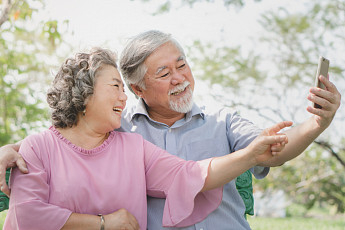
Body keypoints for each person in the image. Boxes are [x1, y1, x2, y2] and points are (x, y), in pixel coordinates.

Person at [0, 30, 341, 229]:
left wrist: (316, 123)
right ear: (138, 89)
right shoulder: (121, 131)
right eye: (164, 74)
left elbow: (271, 150)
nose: (179, 78)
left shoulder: (222, 120)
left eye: (182, 65)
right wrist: (11, 150)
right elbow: (69, 140)